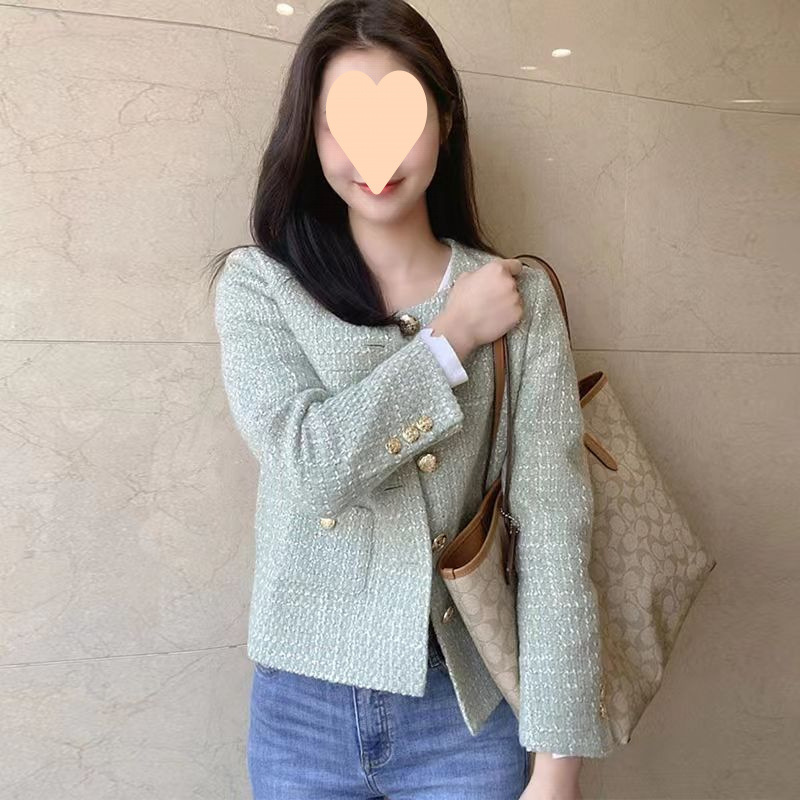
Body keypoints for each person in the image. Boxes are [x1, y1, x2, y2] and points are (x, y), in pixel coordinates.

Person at [206, 1, 612, 797]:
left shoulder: (518, 297)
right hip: (301, 703)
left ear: (446, 122)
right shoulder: (261, 286)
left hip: (464, 706)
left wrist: (559, 763)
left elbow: (555, 526)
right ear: (309, 135)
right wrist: (449, 340)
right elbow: (309, 466)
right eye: (343, 123)